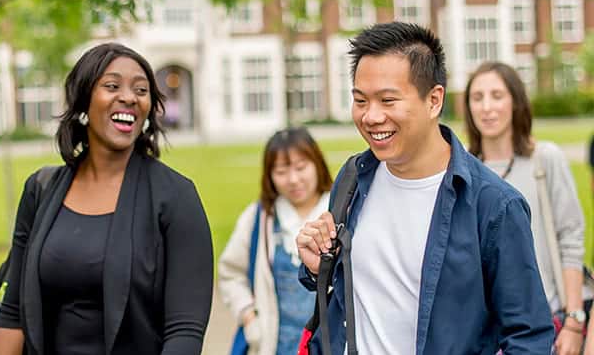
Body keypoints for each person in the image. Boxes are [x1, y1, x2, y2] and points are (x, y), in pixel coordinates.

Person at [295, 22, 554, 354]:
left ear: (434, 100)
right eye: (360, 100)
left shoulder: (494, 206)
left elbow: (529, 336)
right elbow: (346, 293)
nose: (371, 116)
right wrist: (318, 265)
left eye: (388, 100)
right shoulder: (353, 177)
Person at [0, 42, 214, 355]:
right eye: (112, 86)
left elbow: (185, 330)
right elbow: (12, 315)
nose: (129, 97)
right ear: (83, 101)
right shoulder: (40, 190)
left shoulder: (176, 197)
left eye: (141, 89)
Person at [465, 61, 587, 355]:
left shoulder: (544, 161)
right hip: (487, 333)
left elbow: (570, 239)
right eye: (477, 97)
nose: (486, 107)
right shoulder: (464, 172)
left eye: (497, 95)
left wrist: (573, 323)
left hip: (547, 322)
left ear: (515, 102)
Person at [218, 127, 333, 355]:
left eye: (301, 168)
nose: (293, 180)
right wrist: (249, 316)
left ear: (317, 165)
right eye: (281, 171)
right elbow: (230, 272)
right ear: (269, 176)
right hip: (276, 345)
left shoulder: (339, 212)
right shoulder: (259, 218)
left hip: (331, 344)